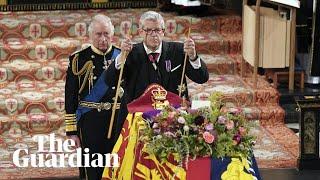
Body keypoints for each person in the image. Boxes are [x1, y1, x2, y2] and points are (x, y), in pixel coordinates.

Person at [105, 10, 209, 132]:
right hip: (138, 119)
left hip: (173, 118)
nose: (154, 34)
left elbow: (202, 78)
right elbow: (109, 81)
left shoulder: (178, 51)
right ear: (140, 32)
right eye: (149, 30)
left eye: (158, 30)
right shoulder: (129, 53)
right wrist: (121, 57)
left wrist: (193, 57)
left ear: (163, 32)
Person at [64, 14, 122, 180]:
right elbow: (70, 97)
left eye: (106, 34)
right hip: (90, 122)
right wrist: (72, 131)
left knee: (118, 166)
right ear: (90, 36)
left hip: (118, 119)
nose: (103, 39)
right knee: (93, 168)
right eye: (98, 34)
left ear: (112, 35)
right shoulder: (78, 60)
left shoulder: (122, 56)